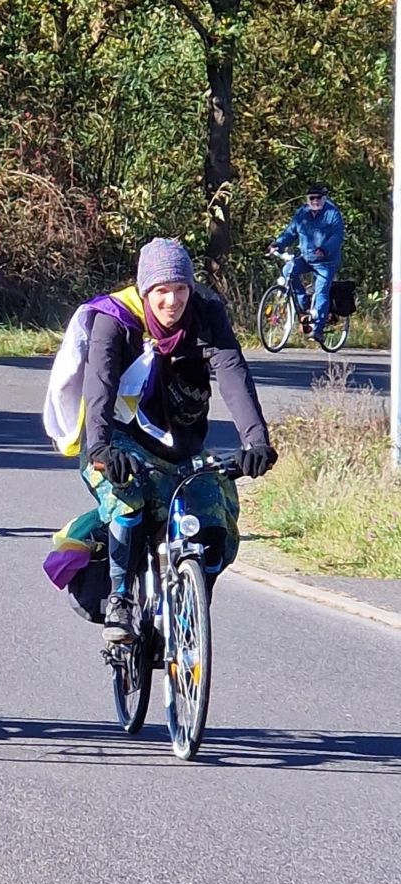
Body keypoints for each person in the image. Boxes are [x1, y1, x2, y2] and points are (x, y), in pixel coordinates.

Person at [43, 237, 278, 644]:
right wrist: (101, 448)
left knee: (216, 519)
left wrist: (256, 441)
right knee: (128, 499)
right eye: (162, 291)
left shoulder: (206, 313)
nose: (173, 301)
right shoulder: (115, 319)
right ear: (145, 291)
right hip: (117, 442)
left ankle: (189, 610)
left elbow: (232, 371)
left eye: (181, 288)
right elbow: (99, 386)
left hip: (181, 447)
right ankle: (120, 600)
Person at [268, 182, 344, 344]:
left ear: (324, 198)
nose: (315, 201)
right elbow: (291, 232)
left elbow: (337, 236)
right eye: (312, 198)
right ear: (307, 199)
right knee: (288, 271)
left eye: (318, 198)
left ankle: (318, 329)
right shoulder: (302, 213)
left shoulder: (332, 214)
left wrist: (325, 249)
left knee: (321, 291)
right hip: (306, 257)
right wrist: (277, 244)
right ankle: (304, 306)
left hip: (326, 261)